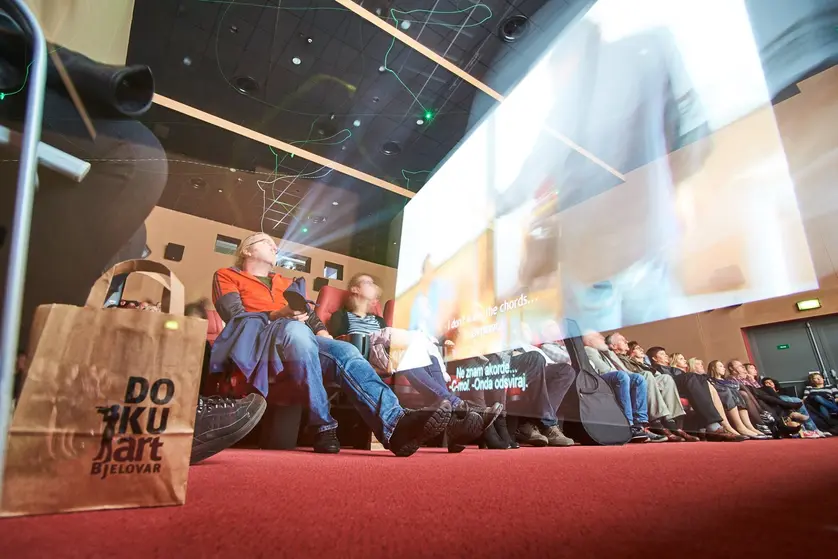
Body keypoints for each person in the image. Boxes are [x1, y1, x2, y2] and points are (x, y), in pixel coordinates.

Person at [210, 233, 453, 456]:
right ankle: (323, 425)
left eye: (275, 245)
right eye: (266, 243)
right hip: (259, 340)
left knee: (346, 350)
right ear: (247, 250)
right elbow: (235, 315)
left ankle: (396, 425)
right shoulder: (226, 275)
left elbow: (311, 318)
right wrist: (278, 315)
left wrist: (324, 334)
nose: (275, 247)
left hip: (300, 338)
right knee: (297, 330)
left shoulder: (285, 282)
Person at [328, 273, 499, 451]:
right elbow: (340, 345)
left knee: (429, 356)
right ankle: (460, 412)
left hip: (388, 358)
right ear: (355, 289)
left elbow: (389, 340)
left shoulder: (378, 320)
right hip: (362, 359)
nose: (373, 285)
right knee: (405, 358)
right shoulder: (341, 316)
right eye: (368, 282)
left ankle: (454, 417)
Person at [607, 332, 692, 441]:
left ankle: (672, 422)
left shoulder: (629, 358)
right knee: (647, 375)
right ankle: (657, 422)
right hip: (633, 381)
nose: (626, 341)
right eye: (623, 340)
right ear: (614, 346)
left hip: (645, 379)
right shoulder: (613, 356)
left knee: (666, 378)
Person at [646, 347, 743, 441]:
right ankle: (714, 427)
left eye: (665, 354)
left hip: (682, 386)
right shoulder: (655, 368)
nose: (666, 356)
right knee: (691, 376)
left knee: (702, 379)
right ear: (654, 358)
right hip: (669, 385)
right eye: (662, 354)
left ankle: (718, 426)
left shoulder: (672, 369)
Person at [581, 332, 662, 442]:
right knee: (622, 376)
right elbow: (604, 369)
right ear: (589, 341)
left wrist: (633, 376)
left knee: (638, 378)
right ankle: (628, 424)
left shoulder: (608, 353)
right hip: (600, 379)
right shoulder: (589, 350)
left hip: (618, 376)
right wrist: (625, 375)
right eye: (598, 337)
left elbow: (624, 370)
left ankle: (639, 424)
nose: (602, 338)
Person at [704, 360, 768, 439]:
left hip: (733, 397)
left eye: (723, 366)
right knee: (731, 391)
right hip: (722, 398)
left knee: (740, 392)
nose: (724, 368)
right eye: (720, 366)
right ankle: (740, 426)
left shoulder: (725, 380)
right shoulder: (710, 380)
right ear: (713, 368)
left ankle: (748, 426)